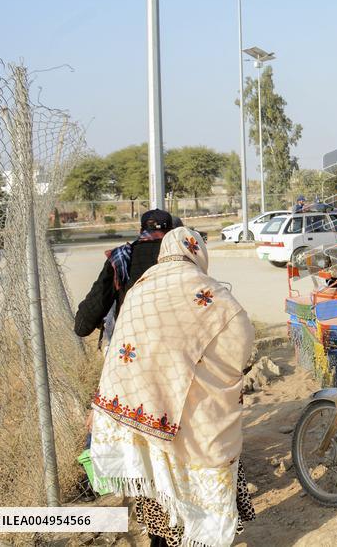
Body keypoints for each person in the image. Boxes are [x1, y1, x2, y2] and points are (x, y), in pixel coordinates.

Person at [89, 227, 255, 547]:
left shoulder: (141, 289)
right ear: (198, 253)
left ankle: (161, 540)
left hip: (147, 412)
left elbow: (121, 355)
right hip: (199, 417)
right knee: (205, 486)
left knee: (158, 494)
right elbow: (241, 345)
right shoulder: (214, 294)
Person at [74, 209, 173, 348]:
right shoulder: (185, 258)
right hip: (175, 343)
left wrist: (83, 321)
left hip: (133, 346)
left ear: (141, 230)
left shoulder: (121, 258)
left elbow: (83, 325)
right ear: (171, 232)